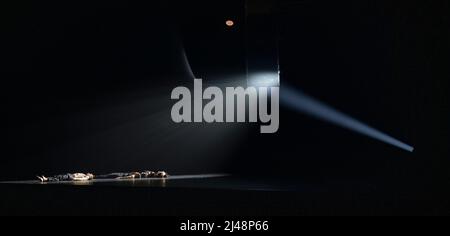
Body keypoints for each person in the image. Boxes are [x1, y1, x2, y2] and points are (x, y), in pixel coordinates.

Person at [37, 171, 168, 182]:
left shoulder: (139, 176)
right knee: (72, 175)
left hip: (93, 178)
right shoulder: (142, 174)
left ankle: (47, 179)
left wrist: (120, 179)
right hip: (95, 176)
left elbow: (131, 177)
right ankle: (48, 178)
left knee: (72, 176)